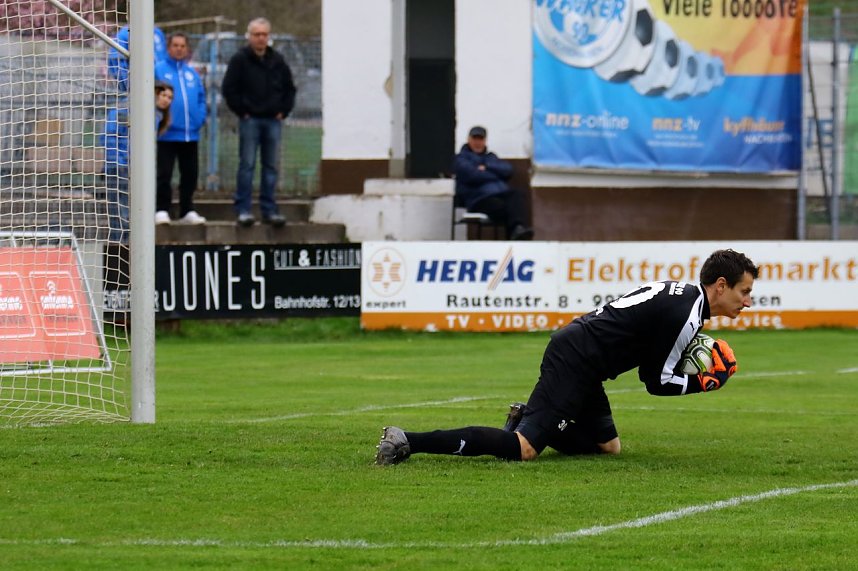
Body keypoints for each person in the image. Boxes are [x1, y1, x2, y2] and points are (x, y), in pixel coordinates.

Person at [376, 249, 759, 465]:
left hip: (588, 360)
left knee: (608, 448)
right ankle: (407, 440)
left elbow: (649, 359)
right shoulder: (686, 315)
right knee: (524, 449)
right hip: (577, 357)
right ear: (720, 285)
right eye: (743, 291)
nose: (747, 301)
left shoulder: (683, 297)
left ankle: (530, 417)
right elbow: (656, 382)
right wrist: (705, 382)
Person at [221, 17, 297, 228]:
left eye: (264, 34)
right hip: (250, 120)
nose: (261, 38)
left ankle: (269, 210)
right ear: (249, 36)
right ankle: (243, 210)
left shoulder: (278, 60)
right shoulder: (240, 60)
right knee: (247, 165)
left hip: (273, 120)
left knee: (270, 167)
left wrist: (283, 110)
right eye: (257, 34)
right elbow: (229, 89)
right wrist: (242, 111)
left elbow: (289, 88)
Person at [100, 82, 173, 243]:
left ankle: (129, 244)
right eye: (163, 95)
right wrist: (121, 162)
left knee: (131, 210)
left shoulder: (155, 116)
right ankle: (120, 245)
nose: (166, 100)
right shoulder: (125, 110)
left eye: (170, 97)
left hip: (135, 168)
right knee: (120, 211)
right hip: (120, 167)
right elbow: (108, 137)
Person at [154, 32, 208, 225]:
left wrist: (199, 118)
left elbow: (201, 98)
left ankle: (187, 209)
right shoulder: (158, 70)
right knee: (164, 174)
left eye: (182, 46)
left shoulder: (192, 73)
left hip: (190, 135)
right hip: (166, 135)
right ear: (168, 48)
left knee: (190, 174)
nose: (179, 49)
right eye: (175, 45)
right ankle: (161, 209)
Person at [453, 126, 534, 240]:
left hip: (500, 195)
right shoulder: (461, 159)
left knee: (517, 195)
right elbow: (473, 175)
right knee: (506, 208)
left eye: (480, 139)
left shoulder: (491, 157)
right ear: (469, 139)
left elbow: (508, 170)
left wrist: (487, 167)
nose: (477, 142)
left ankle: (518, 230)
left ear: (485, 141)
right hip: (478, 200)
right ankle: (515, 234)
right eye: (475, 139)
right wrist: (496, 174)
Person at [107, 25, 168, 92]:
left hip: (160, 84)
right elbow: (116, 62)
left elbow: (164, 56)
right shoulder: (125, 34)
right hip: (138, 86)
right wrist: (129, 87)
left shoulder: (157, 32)